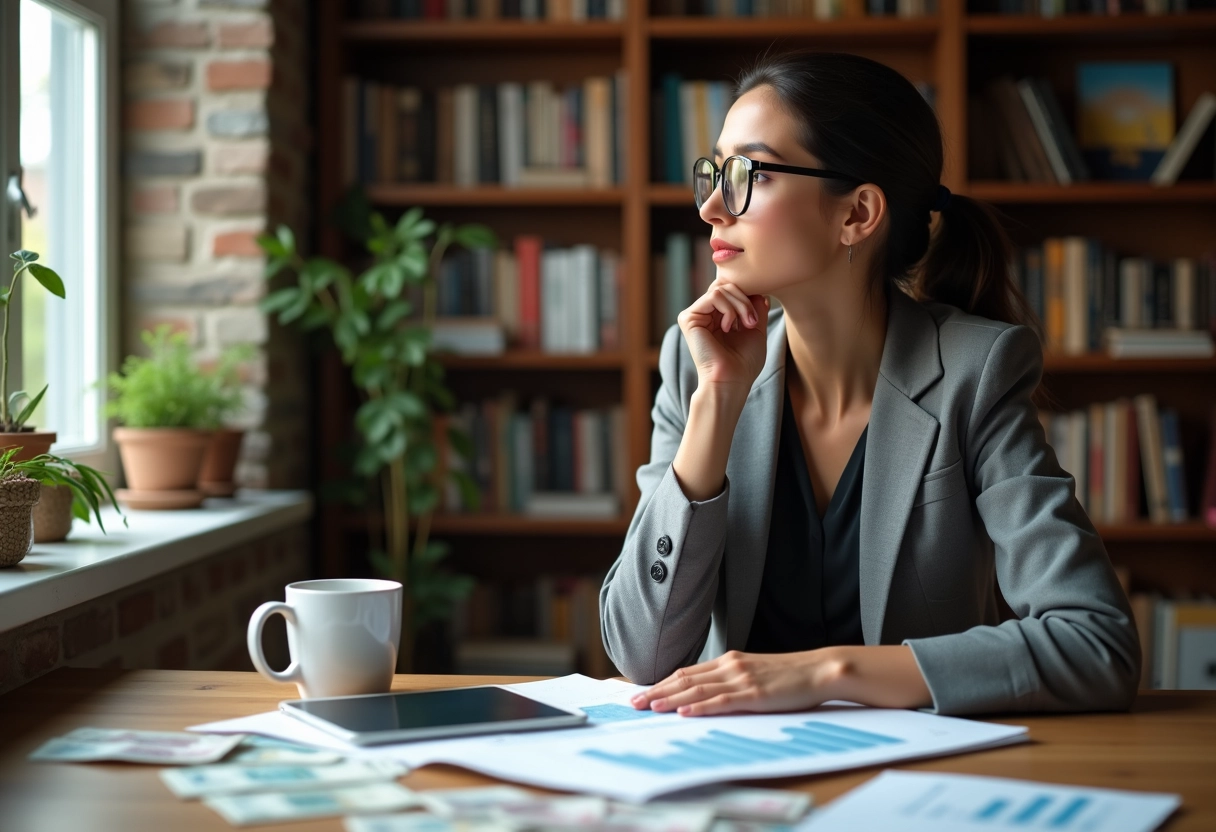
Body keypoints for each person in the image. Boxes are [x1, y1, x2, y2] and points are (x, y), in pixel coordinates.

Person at [599, 50, 1139, 717]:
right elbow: (642, 655)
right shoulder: (696, 362)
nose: (712, 206)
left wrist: (828, 672)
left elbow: (1096, 643)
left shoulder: (975, 373)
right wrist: (716, 402)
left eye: (748, 174)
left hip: (917, 787)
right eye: (713, 172)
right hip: (737, 779)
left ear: (856, 214)